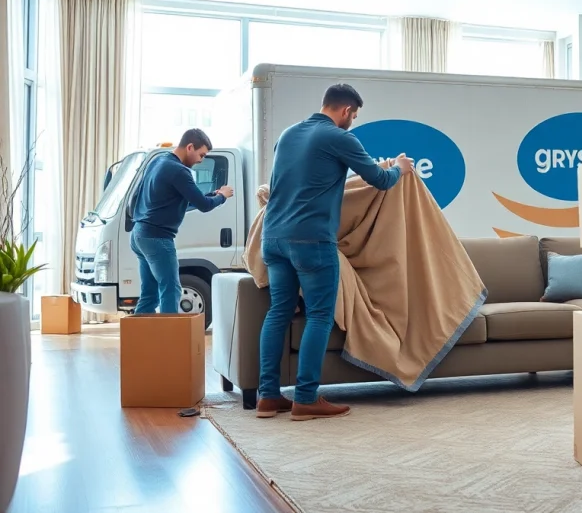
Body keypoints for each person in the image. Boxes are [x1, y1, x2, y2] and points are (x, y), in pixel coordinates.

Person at [256, 83, 413, 421]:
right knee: (319, 316)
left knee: (278, 313)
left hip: (273, 238)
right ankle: (305, 399)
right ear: (345, 111)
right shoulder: (340, 138)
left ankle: (267, 397)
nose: (352, 121)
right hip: (311, 241)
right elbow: (380, 180)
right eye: (353, 116)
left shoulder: (288, 134)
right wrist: (399, 167)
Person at [131, 128, 234, 314]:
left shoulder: (158, 161)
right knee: (171, 290)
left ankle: (140, 333)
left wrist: (213, 194)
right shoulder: (179, 171)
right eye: (201, 155)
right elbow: (204, 205)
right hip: (157, 238)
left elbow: (186, 201)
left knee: (149, 294)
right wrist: (223, 196)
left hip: (139, 234)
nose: (201, 160)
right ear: (190, 147)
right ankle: (169, 333)